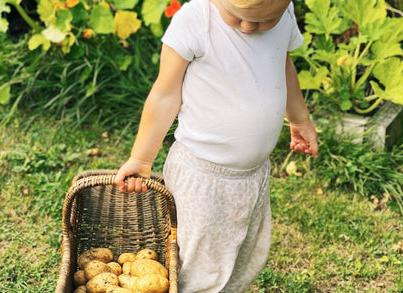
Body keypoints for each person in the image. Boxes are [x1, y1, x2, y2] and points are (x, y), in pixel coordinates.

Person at [115, 0, 318, 291]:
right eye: (237, 16)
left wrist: (299, 119)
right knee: (199, 266)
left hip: (253, 175)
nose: (249, 27)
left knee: (243, 255)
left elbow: (282, 65)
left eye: (263, 21)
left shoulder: (282, 12)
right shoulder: (196, 20)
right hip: (203, 177)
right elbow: (164, 94)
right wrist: (141, 158)